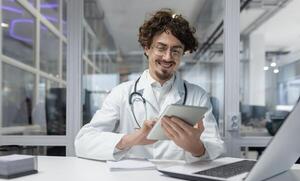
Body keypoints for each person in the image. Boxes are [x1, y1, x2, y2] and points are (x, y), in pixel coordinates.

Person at [75, 8, 225, 163]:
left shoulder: (197, 95)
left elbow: (215, 146)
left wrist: (196, 147)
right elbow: (83, 142)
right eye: (161, 48)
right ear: (147, 48)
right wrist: (132, 139)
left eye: (176, 50)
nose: (167, 57)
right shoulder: (121, 93)